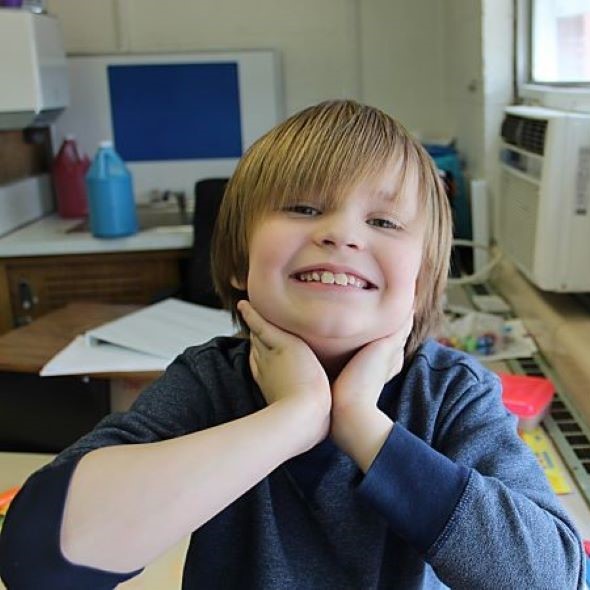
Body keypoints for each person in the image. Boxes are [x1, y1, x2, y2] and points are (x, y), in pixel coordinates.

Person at [0, 100, 585, 590]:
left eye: (383, 222)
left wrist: (361, 425)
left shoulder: (452, 392)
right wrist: (294, 418)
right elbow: (38, 561)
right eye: (304, 208)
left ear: (422, 279)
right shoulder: (209, 383)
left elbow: (556, 576)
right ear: (238, 263)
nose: (340, 234)